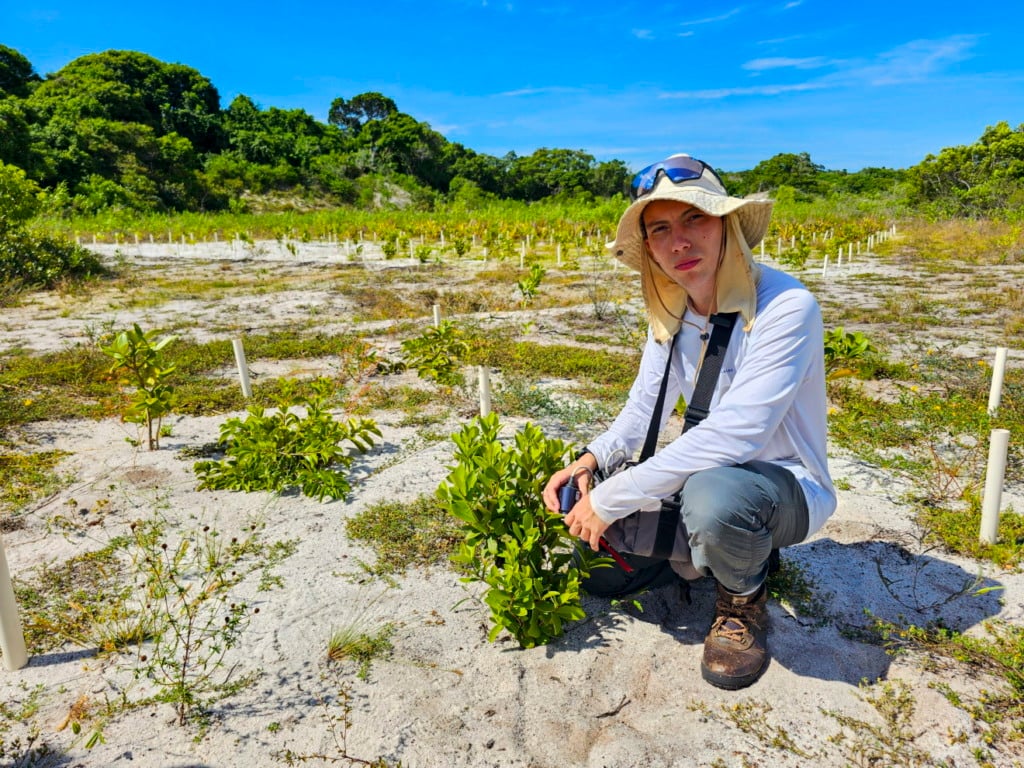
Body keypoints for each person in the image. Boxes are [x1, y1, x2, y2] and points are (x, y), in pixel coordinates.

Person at [542, 153, 836, 690]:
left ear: (725, 223)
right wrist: (590, 461)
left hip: (783, 487)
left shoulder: (787, 306)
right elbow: (640, 411)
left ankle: (742, 601)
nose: (679, 241)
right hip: (703, 477)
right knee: (603, 574)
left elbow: (739, 434)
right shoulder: (672, 311)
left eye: (695, 218)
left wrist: (612, 499)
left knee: (714, 497)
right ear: (649, 247)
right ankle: (697, 556)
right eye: (661, 229)